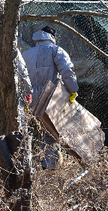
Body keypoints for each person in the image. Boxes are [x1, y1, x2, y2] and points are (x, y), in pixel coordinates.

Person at [22, 25, 79, 169]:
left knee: (38, 131)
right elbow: (67, 71)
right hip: (50, 96)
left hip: (31, 99)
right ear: (52, 37)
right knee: (52, 134)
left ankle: (33, 165)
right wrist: (73, 90)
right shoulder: (56, 50)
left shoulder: (26, 53)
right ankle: (49, 168)